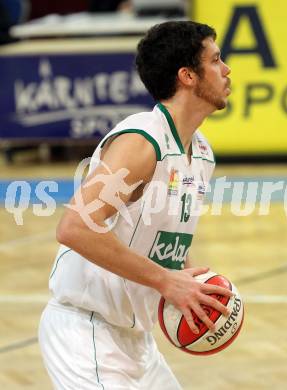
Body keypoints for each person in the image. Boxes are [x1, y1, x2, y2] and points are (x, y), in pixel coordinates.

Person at [39, 20, 232, 389]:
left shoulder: (202, 153)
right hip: (87, 332)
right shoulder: (143, 141)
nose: (226, 70)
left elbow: (160, 240)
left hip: (137, 341)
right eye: (216, 60)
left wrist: (192, 284)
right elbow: (74, 228)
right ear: (187, 76)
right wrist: (165, 282)